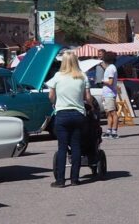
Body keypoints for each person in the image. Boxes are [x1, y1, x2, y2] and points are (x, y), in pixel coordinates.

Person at [45, 52, 93, 188]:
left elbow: (50, 96)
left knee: (62, 148)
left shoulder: (57, 76)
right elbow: (88, 97)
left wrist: (55, 102)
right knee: (76, 146)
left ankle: (60, 180)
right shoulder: (82, 76)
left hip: (62, 114)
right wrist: (88, 104)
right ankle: (75, 179)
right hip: (78, 114)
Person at [100, 52, 120, 140]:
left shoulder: (111, 68)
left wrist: (102, 81)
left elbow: (110, 82)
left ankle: (114, 132)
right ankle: (109, 131)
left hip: (109, 93)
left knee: (113, 113)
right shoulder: (110, 68)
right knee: (108, 113)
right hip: (107, 93)